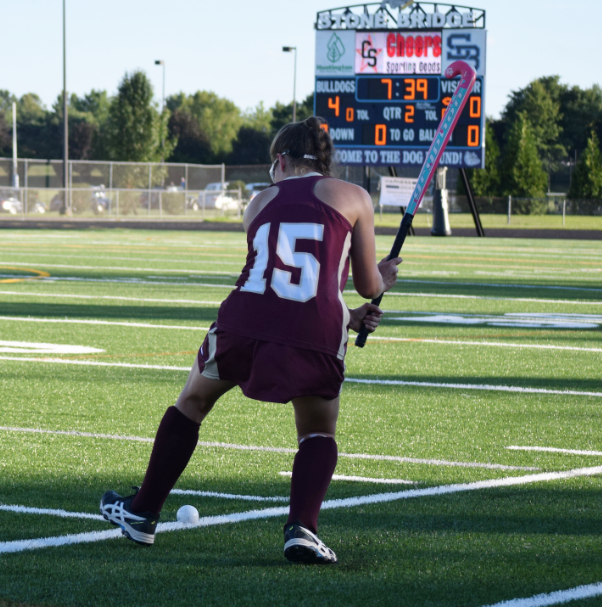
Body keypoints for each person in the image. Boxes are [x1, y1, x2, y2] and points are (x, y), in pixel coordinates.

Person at [100, 117, 401, 564]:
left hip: (244, 320)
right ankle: (302, 528)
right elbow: (361, 282)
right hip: (315, 328)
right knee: (317, 429)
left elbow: (278, 278)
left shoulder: (258, 203)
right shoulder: (355, 196)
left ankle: (143, 511)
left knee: (192, 403)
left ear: (281, 161)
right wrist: (383, 284)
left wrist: (350, 314)